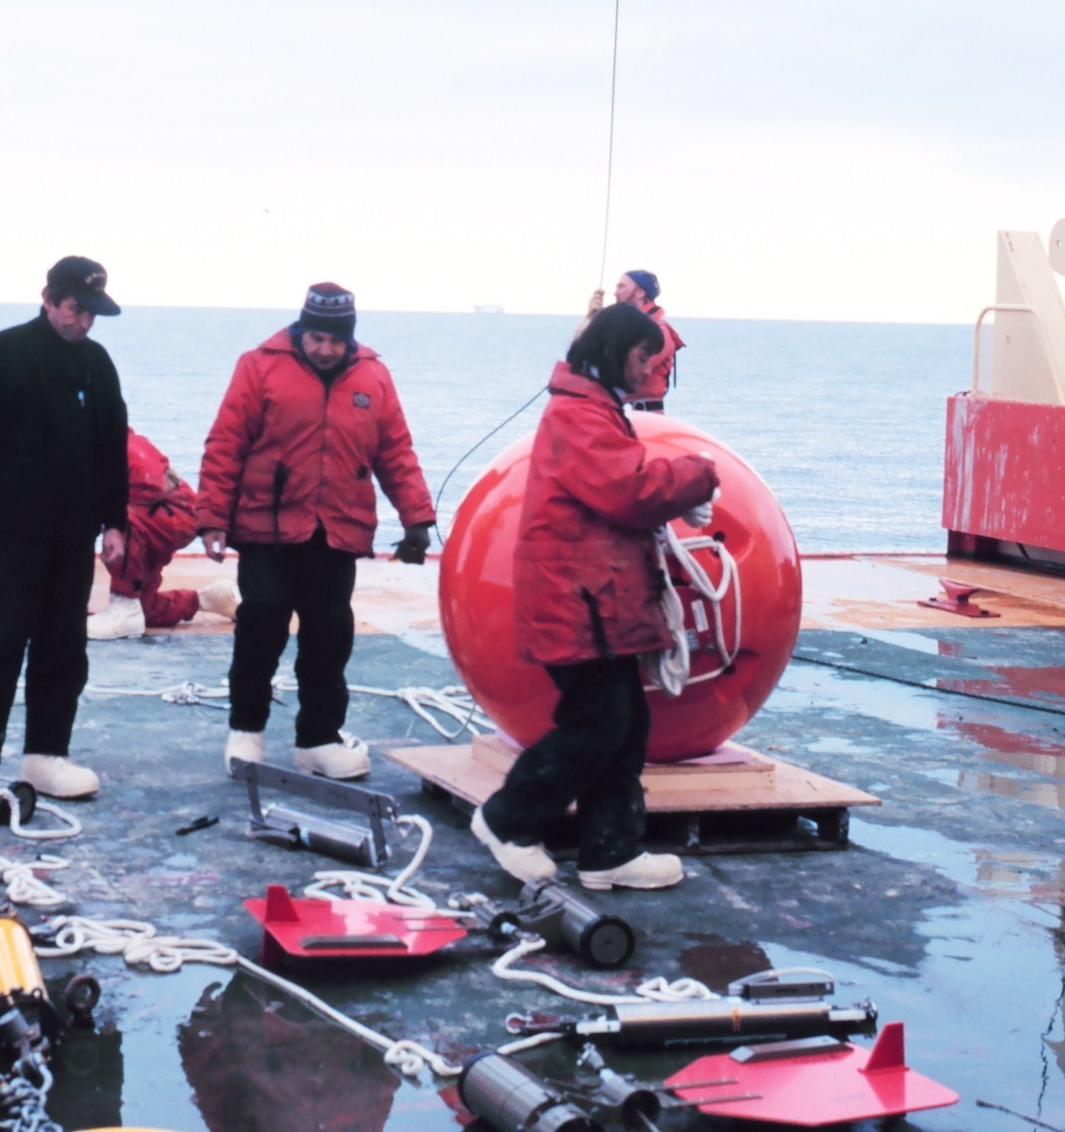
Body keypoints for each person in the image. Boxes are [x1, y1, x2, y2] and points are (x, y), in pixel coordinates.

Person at [471, 302, 718, 891]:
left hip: (595, 600)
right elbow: (627, 488)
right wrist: (699, 474)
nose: (647, 371)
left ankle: (611, 851)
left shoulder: (590, 410)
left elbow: (619, 484)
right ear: (616, 353)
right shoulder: (580, 415)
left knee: (624, 724)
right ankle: (508, 820)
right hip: (578, 602)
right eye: (642, 357)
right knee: (597, 724)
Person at [197, 282, 434, 780]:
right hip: (269, 527)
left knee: (330, 635)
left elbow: (396, 453)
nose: (326, 349)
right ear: (301, 330)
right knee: (261, 626)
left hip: (337, 531)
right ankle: (246, 732)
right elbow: (225, 444)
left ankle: (318, 738)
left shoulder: (374, 374)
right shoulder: (258, 366)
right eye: (317, 338)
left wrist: (417, 518)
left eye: (336, 340)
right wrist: (212, 516)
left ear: (349, 337)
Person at [0, 256, 129, 799]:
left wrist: (115, 522)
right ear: (49, 299)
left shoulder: (97, 364)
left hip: (72, 535)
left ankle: (45, 756)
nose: (84, 323)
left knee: (64, 648)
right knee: (2, 642)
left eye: (92, 313)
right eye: (76, 309)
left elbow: (111, 447)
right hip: (10, 533)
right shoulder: (5, 352)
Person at [87, 429, 240, 641]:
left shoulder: (111, 439)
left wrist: (105, 516)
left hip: (169, 513)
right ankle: (210, 599)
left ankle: (125, 606)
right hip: (159, 516)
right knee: (145, 610)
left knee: (119, 518)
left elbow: (150, 483)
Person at [581, 269, 685, 412]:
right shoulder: (625, 328)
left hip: (646, 419)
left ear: (641, 293)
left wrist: (595, 321)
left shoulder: (661, 331)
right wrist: (596, 319)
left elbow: (622, 368)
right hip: (626, 415)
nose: (615, 292)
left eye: (621, 287)